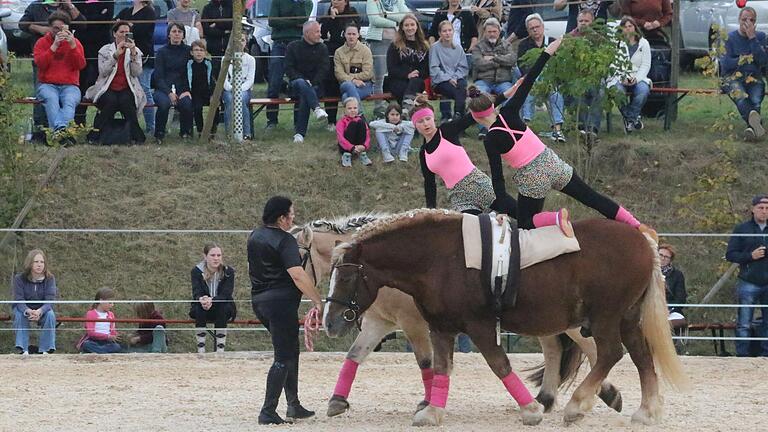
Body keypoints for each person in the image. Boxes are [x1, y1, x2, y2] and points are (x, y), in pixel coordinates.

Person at [467, 38, 652, 236]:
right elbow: (529, 80)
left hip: (532, 177)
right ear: (492, 107)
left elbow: (498, 179)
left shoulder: (490, 140)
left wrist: (502, 211)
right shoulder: (510, 111)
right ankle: (637, 225)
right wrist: (547, 52)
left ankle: (556, 218)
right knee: (592, 197)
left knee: (525, 224)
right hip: (552, 162)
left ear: (476, 118)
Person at [248, 196, 324, 424]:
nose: (293, 217)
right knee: (283, 356)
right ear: (281, 218)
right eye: (291, 214)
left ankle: (294, 404)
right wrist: (317, 300)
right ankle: (268, 411)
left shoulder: (255, 236)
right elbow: (297, 274)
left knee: (291, 350)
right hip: (281, 303)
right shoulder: (285, 240)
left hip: (260, 301)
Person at [412, 93, 518, 217]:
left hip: (478, 185)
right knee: (471, 229)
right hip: (459, 197)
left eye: (428, 119)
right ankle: (490, 219)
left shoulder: (447, 131)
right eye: (420, 121)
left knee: (521, 215)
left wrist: (505, 95)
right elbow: (429, 184)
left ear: (433, 118)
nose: (425, 124)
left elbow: (474, 115)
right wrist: (430, 212)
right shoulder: (423, 152)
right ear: (415, 125)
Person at [20, 0, 85, 141]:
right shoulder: (41, 43)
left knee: (70, 100)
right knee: (52, 99)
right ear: (50, 28)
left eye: (62, 28)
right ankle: (61, 134)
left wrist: (73, 46)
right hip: (47, 84)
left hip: (70, 85)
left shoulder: (75, 43)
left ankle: (55, 133)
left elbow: (80, 65)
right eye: (56, 28)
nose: (59, 32)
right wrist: (53, 47)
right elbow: (40, 64)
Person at [85, 20, 147, 144]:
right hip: (107, 87)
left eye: (127, 32)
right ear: (114, 34)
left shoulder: (135, 51)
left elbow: (136, 72)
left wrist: (134, 55)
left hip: (127, 87)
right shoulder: (105, 50)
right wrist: (115, 56)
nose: (124, 35)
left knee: (126, 102)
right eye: (121, 32)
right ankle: (97, 134)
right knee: (111, 101)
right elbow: (103, 72)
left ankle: (133, 135)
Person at [726, 194, 768, 357]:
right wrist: (750, 256)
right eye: (761, 208)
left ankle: (766, 355)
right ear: (753, 209)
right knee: (744, 321)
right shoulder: (741, 229)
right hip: (748, 281)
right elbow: (730, 254)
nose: (764, 212)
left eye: (767, 209)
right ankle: (742, 355)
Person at [720, 6, 767, 141]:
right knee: (739, 96)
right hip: (732, 77)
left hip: (753, 77)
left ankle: (751, 129)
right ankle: (756, 125)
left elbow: (763, 61)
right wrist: (742, 59)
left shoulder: (760, 37)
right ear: (739, 20)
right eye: (744, 19)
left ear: (755, 22)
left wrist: (752, 38)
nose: (747, 22)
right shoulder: (729, 38)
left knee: (756, 100)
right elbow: (726, 64)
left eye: (751, 20)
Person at [517, 14, 566, 142]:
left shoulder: (553, 42)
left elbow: (560, 64)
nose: (535, 30)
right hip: (532, 80)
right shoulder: (523, 45)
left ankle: (558, 130)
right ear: (528, 30)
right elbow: (521, 65)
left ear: (543, 27)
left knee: (556, 94)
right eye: (531, 28)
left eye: (537, 27)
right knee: (528, 91)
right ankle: (526, 128)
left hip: (551, 79)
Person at [265, 0, 313, 130]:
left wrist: (284, 21)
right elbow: (272, 21)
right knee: (274, 83)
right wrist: (293, 22)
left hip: (298, 44)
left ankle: (298, 123)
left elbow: (303, 20)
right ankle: (272, 120)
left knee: (299, 81)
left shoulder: (306, 2)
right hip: (279, 44)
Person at [470, 18, 516, 138]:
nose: (492, 34)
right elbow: (478, 63)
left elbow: (511, 60)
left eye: (494, 31)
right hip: (484, 80)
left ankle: (508, 125)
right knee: (479, 95)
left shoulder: (507, 45)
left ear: (499, 31)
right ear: (484, 32)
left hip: (503, 81)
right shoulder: (478, 47)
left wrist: (494, 57)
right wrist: (500, 60)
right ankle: (484, 128)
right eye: (489, 31)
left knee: (511, 95)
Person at [285, 21, 330, 144]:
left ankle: (299, 133)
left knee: (305, 95)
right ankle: (316, 108)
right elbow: (289, 68)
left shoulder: (322, 48)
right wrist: (304, 81)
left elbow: (324, 69)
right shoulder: (292, 47)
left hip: (316, 86)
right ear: (306, 33)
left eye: (319, 31)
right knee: (301, 83)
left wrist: (313, 82)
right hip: (295, 85)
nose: (320, 34)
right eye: (317, 32)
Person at [117, 0, 157, 135]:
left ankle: (151, 127)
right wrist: (128, 26)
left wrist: (127, 25)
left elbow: (140, 31)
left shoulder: (149, 12)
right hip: (125, 56)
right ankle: (132, 126)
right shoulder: (126, 11)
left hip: (143, 57)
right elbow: (115, 25)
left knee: (144, 89)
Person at [319, 0, 360, 129]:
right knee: (331, 86)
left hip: (350, 53)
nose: (335, 2)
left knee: (347, 85)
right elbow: (323, 34)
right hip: (332, 52)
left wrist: (338, 20)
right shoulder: (327, 14)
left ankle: (352, 118)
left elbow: (351, 31)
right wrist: (331, 18)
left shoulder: (352, 13)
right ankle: (331, 120)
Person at [73, 0, 114, 127]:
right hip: (82, 46)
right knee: (81, 83)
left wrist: (85, 19)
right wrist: (95, 17)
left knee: (101, 83)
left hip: (101, 47)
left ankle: (101, 121)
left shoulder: (108, 1)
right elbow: (78, 22)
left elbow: (106, 19)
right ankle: (79, 119)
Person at [366, 0, 410, 117]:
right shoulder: (372, 1)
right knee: (378, 77)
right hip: (379, 43)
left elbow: (407, 17)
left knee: (397, 75)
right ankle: (378, 108)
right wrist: (396, 23)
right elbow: (375, 20)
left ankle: (399, 109)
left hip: (397, 43)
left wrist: (386, 15)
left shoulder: (398, 1)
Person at [190, 243, 236, 354]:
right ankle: (201, 349)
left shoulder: (228, 272)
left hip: (222, 306)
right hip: (204, 306)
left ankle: (220, 350)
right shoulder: (196, 271)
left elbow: (226, 294)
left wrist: (212, 300)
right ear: (205, 256)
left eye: (219, 255)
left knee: (223, 306)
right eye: (213, 255)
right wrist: (202, 299)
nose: (216, 258)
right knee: (200, 307)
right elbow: (196, 291)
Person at [609, 16, 652, 134]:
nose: (627, 29)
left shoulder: (644, 43)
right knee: (617, 92)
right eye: (624, 27)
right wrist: (622, 78)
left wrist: (636, 79)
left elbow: (646, 65)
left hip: (639, 77)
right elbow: (612, 64)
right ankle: (633, 119)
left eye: (630, 26)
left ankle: (629, 119)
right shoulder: (616, 43)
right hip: (619, 77)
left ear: (635, 27)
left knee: (643, 91)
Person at [152, 23, 194, 143]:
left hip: (183, 88)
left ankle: (186, 132)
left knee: (186, 103)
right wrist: (169, 92)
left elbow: (191, 72)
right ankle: (159, 134)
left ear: (183, 35)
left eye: (180, 32)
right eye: (174, 31)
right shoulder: (161, 52)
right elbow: (158, 77)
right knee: (164, 104)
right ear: (169, 34)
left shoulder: (188, 51)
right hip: (163, 88)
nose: (177, 34)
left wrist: (186, 91)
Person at [567, 10, 604, 143]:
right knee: (577, 90)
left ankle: (593, 129)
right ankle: (582, 128)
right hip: (575, 77)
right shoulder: (570, 38)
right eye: (581, 21)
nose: (583, 23)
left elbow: (603, 61)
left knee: (599, 92)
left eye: (586, 21)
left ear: (592, 22)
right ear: (577, 22)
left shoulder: (599, 39)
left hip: (593, 77)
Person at [12, 249, 57, 355]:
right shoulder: (19, 278)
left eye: (42, 262)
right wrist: (28, 311)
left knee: (50, 315)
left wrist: (40, 311)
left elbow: (50, 300)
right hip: (24, 308)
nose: (39, 265)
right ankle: (23, 349)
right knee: (19, 315)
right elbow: (19, 299)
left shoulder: (50, 278)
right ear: (30, 263)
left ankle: (46, 349)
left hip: (42, 309)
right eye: (36, 262)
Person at [385, 13, 430, 111]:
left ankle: (405, 111)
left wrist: (417, 73)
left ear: (417, 27)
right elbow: (391, 68)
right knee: (406, 87)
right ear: (402, 28)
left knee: (414, 82)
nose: (410, 28)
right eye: (406, 25)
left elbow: (427, 69)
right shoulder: (395, 45)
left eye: (412, 25)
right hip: (398, 80)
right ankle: (408, 111)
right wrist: (407, 75)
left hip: (417, 81)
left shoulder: (424, 46)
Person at [430, 20, 470, 123]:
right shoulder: (435, 48)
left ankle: (455, 115)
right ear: (439, 33)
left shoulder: (458, 47)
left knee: (461, 86)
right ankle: (459, 117)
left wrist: (454, 77)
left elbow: (463, 67)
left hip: (457, 78)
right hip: (440, 80)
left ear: (453, 31)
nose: (447, 33)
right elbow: (434, 68)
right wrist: (448, 78)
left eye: (449, 30)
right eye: (444, 31)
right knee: (459, 92)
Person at [222, 34, 256, 140]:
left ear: (246, 42)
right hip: (229, 88)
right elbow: (224, 79)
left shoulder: (250, 59)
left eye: (242, 40)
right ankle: (230, 133)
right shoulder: (225, 58)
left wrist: (238, 89)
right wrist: (232, 88)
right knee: (230, 100)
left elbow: (250, 80)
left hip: (244, 88)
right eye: (237, 40)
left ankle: (246, 134)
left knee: (240, 100)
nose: (240, 42)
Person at [334, 24, 374, 110]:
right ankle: (360, 116)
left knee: (346, 96)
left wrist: (352, 78)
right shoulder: (338, 52)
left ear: (358, 35)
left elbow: (368, 73)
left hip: (365, 84)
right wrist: (353, 80)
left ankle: (352, 120)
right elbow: (339, 74)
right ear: (344, 34)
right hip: (345, 84)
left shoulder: (366, 50)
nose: (351, 37)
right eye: (349, 34)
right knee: (349, 85)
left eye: (354, 34)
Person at [187, 39, 219, 137]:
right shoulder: (189, 65)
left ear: (205, 53)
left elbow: (214, 81)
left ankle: (212, 129)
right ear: (192, 52)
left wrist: (213, 94)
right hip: (195, 93)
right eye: (196, 50)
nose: (199, 52)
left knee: (216, 106)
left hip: (208, 92)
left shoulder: (210, 64)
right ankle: (200, 131)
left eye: (201, 50)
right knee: (197, 108)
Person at [77, 288, 122, 354]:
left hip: (107, 342)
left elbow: (112, 330)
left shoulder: (111, 314)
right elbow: (91, 333)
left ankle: (99, 351)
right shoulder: (90, 314)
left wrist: (115, 336)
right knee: (87, 344)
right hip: (93, 341)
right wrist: (107, 336)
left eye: (113, 302)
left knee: (117, 346)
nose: (112, 305)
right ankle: (103, 352)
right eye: (110, 302)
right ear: (101, 301)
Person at [336, 97, 373, 167]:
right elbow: (340, 138)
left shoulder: (361, 121)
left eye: (355, 108)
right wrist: (351, 147)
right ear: (344, 109)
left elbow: (367, 134)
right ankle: (346, 155)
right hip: (346, 146)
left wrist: (364, 146)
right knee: (352, 124)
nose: (352, 110)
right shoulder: (341, 122)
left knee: (361, 122)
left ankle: (362, 154)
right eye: (349, 108)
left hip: (359, 145)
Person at [201, 0, 232, 75]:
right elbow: (206, 29)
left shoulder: (232, 7)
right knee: (216, 73)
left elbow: (233, 24)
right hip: (214, 48)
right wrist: (224, 31)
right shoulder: (207, 8)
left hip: (229, 46)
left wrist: (216, 23)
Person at [659, 243, 686, 316]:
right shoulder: (648, 272)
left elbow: (681, 299)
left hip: (669, 311)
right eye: (660, 255)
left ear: (670, 260)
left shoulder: (677, 275)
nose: (662, 258)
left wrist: (668, 309)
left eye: (666, 257)